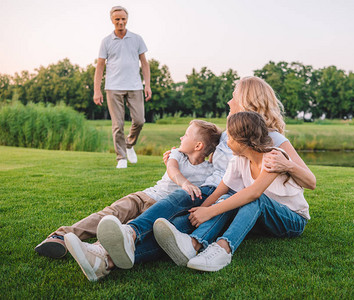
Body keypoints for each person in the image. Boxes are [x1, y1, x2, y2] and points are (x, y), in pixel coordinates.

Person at [64, 76, 316, 281]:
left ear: (248, 101)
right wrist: (183, 156)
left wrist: (288, 165)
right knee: (187, 207)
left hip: (262, 208)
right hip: (234, 201)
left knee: (225, 205)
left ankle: (205, 245)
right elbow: (209, 149)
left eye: (234, 96)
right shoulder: (233, 136)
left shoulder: (274, 145)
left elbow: (304, 182)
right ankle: (108, 255)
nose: (229, 101)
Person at [34, 120, 222, 260]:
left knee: (129, 228)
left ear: (198, 146)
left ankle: (96, 252)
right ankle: (61, 235)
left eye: (186, 135)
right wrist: (184, 183)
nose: (182, 137)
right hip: (146, 195)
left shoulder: (209, 171)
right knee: (110, 213)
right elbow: (172, 170)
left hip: (160, 208)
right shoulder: (177, 154)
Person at [153, 111, 311, 272]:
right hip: (262, 219)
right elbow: (218, 193)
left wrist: (209, 212)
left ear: (242, 141)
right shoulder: (237, 161)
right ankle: (193, 244)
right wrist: (197, 213)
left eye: (229, 138)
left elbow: (254, 193)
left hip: (292, 219)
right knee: (227, 200)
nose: (227, 143)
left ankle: (223, 249)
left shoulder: (274, 157)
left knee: (252, 199)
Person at [94, 6, 152, 169]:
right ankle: (121, 157)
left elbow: (144, 63)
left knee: (140, 120)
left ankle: (129, 144)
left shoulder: (137, 38)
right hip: (113, 87)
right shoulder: (106, 41)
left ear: (127, 19)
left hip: (134, 86)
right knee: (117, 124)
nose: (120, 22)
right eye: (117, 19)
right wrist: (97, 90)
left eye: (123, 19)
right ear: (112, 20)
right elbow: (99, 67)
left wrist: (147, 84)